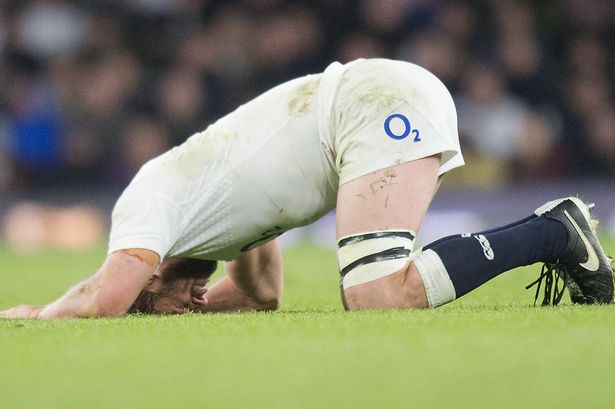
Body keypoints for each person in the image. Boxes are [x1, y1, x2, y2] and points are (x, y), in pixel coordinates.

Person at [1, 58, 613, 319]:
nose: (183, 308)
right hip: (373, 102)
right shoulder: (216, 219)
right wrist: (198, 303)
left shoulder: (148, 199)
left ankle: (553, 234)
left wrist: (37, 313)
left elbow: (105, 297)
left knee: (376, 296)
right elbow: (262, 294)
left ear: (151, 271)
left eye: (151, 305)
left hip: (367, 106)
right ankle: (555, 233)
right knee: (374, 292)